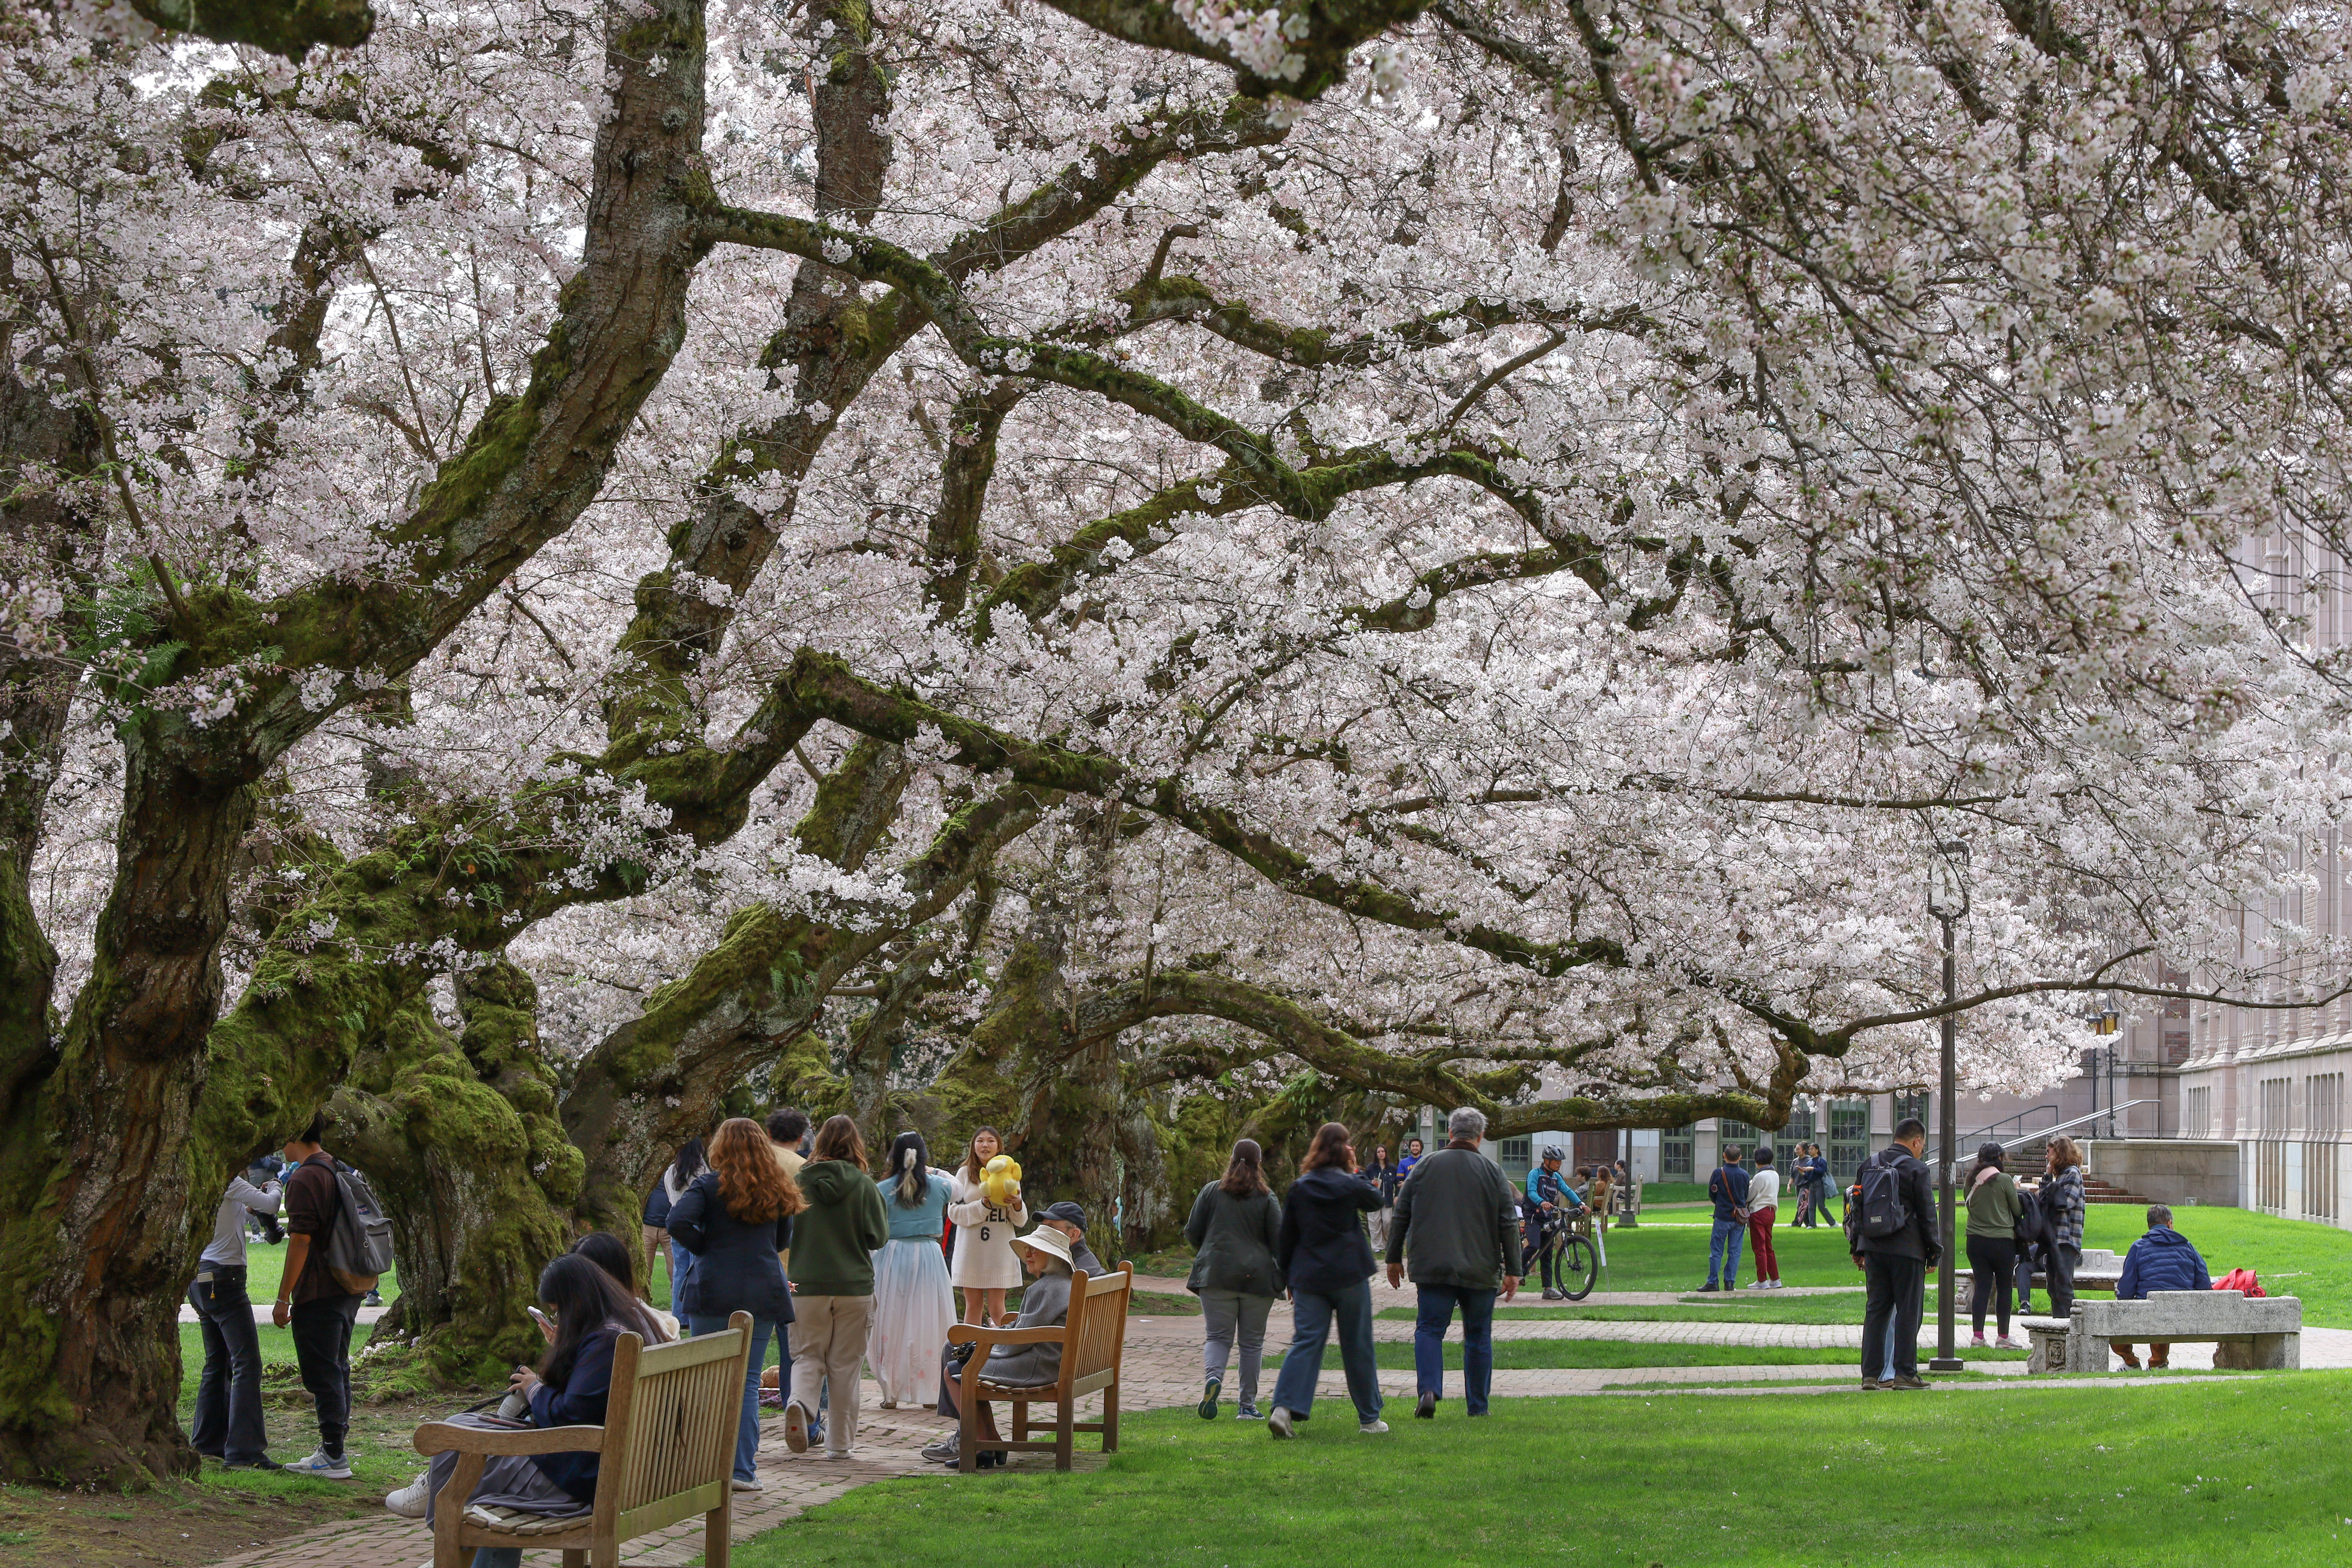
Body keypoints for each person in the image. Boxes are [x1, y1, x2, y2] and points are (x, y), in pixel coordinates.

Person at [406, 1253, 671, 1564]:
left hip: (589, 1478)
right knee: (462, 1425)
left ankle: (449, 1552)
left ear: (576, 1301)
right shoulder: (632, 1323)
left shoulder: (607, 1343)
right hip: (636, 1470)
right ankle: (454, 1548)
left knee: (456, 1446)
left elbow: (567, 1414)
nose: (559, 1322)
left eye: (559, 1314)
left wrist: (533, 1389)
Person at [665, 1116, 802, 1490]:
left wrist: (705, 1246)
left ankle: (705, 1468)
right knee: (747, 1381)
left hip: (713, 1289)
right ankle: (742, 1469)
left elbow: (677, 1221)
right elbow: (781, 1239)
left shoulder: (709, 1186)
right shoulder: (777, 1187)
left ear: (720, 1147)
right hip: (762, 1289)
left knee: (708, 1377)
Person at [1384, 1106, 1520, 1421]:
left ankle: (1429, 1390)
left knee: (1430, 1330)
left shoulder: (1424, 1166)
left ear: (1450, 1133)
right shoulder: (1493, 1171)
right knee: (1478, 1336)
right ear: (1480, 1136)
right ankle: (1478, 1407)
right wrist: (1514, 1269)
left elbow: (1401, 1213)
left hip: (1433, 1265)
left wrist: (1393, 1258)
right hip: (1481, 1267)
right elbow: (1508, 1223)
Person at [1266, 1122, 1385, 1438]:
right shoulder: (1349, 1183)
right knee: (1357, 1345)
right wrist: (1356, 1169)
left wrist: (1288, 1276)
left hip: (1309, 1276)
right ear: (1344, 1149)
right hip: (1349, 1274)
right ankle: (1370, 1419)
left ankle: (1283, 1408)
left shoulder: (1300, 1187)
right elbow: (1376, 1200)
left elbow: (1286, 1237)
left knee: (1306, 1342)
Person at [921, 1225, 1076, 1467]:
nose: (1028, 1254)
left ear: (1053, 1257)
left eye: (1035, 1250)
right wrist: (996, 1334)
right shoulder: (1064, 1285)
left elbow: (1019, 1341)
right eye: (1028, 1249)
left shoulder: (1046, 1289)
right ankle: (989, 1442)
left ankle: (980, 1444)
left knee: (955, 1371)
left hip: (1041, 1367)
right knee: (960, 1356)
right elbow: (1028, 1327)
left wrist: (991, 1341)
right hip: (1052, 1360)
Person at [784, 1114, 889, 1459]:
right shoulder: (863, 1185)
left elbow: (783, 1232)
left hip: (805, 1284)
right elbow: (878, 1237)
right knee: (845, 1366)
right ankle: (840, 1445)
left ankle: (800, 1403)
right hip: (853, 1285)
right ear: (855, 1145)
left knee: (806, 1354)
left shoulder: (799, 1181)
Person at [271, 1116, 365, 1479]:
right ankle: (333, 1448)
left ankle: (333, 1456)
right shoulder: (335, 1166)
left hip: (318, 1288)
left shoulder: (305, 1177)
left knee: (322, 1372)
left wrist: (283, 1299)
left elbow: (301, 1239)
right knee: (337, 1366)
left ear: (294, 1134)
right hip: (347, 1283)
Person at [188, 1164, 284, 1470]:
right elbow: (270, 1204)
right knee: (247, 1363)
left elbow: (236, 1216)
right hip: (226, 1278)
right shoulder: (225, 1179)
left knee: (217, 1362)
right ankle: (245, 1451)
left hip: (200, 1274)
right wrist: (276, 1186)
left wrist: (250, 1210)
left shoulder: (197, 1179)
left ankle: (207, 1442)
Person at [1185, 1138, 1284, 1421]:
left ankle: (1213, 1379)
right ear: (1259, 1164)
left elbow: (1192, 1231)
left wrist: (1209, 1250)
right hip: (1258, 1280)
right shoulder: (1267, 1198)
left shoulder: (1211, 1192)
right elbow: (1279, 1242)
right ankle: (1246, 1406)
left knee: (1217, 1337)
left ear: (1231, 1160)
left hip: (1215, 1274)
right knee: (1252, 1344)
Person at [1847, 1117, 1939, 1391]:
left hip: (1874, 1249)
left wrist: (1858, 1248)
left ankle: (1870, 1375)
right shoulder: (1916, 1168)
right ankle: (1905, 1373)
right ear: (1917, 1141)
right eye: (1922, 1144)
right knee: (1909, 1312)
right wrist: (1934, 1253)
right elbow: (1927, 1214)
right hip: (1907, 1250)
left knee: (1876, 1310)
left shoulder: (1869, 1165)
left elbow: (1856, 1210)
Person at [869, 1131, 955, 1410]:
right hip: (929, 1256)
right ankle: (929, 1391)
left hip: (891, 1257)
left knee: (889, 1320)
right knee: (930, 1320)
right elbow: (960, 1189)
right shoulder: (939, 1185)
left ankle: (890, 1391)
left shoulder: (881, 1189)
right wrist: (933, 1170)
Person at [2110, 1203, 2211, 1368]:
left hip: (2148, 1315)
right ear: (2170, 1223)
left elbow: (2126, 1291)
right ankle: (2158, 1362)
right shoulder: (2188, 1247)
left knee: (2116, 1318)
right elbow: (2205, 1285)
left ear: (2149, 1226)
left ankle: (2131, 1362)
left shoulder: (2139, 1247)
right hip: (2185, 1315)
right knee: (2163, 1310)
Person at [949, 1125, 1027, 1327]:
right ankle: (969, 1352)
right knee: (973, 1305)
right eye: (980, 1140)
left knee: (997, 1306)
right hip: (972, 1249)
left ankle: (1004, 1353)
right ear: (973, 1146)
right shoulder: (964, 1174)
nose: (985, 1145)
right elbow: (954, 1213)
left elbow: (1021, 1220)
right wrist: (982, 1206)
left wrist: (1017, 1203)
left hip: (999, 1249)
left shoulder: (1011, 1171)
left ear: (999, 1146)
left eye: (991, 1141)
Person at [1963, 1142, 2023, 1348]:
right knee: (2005, 1287)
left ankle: (1978, 1337)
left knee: (1982, 1287)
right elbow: (2017, 1210)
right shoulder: (2005, 1180)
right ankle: (2003, 1336)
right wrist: (2016, 1191)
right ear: (1999, 1158)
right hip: (2002, 1242)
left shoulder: (1971, 1181)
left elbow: (1968, 1203)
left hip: (1976, 1241)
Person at [1522, 1147, 1587, 1300]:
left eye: (1560, 1161)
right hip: (1533, 1215)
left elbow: (1567, 1191)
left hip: (1547, 1216)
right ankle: (1516, 1271)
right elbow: (1532, 1192)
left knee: (1547, 1253)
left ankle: (1548, 1289)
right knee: (1534, 1245)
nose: (1559, 1164)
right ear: (1546, 1161)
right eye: (1556, 1161)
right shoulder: (1535, 1174)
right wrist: (1542, 1201)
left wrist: (1580, 1204)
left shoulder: (1556, 1177)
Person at [653, 1138, 706, 1325]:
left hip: (676, 1224)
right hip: (697, 1225)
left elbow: (671, 1199)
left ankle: (678, 1316)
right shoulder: (702, 1173)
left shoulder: (670, 1172)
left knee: (679, 1271)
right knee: (696, 1271)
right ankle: (692, 1314)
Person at [2039, 1136, 2088, 1320]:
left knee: (2063, 1287)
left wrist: (2049, 1190)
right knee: (2053, 1289)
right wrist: (2048, 1177)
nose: (2047, 1157)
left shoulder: (2073, 1174)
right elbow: (2044, 1202)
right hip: (2054, 1239)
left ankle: (2077, 1325)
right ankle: (2059, 1327)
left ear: (2059, 1152)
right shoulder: (2059, 1177)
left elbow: (2064, 1203)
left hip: (2066, 1240)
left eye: (2049, 1152)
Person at [1699, 1144, 1751, 1292]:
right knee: (1735, 1252)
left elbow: (1712, 1193)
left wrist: (1721, 1204)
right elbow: (1745, 1195)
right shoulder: (1744, 1175)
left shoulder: (1718, 1173)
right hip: (1739, 1219)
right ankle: (1730, 1282)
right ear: (1740, 1158)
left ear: (1724, 1156)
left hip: (1722, 1216)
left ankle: (1713, 1282)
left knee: (1716, 1251)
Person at [1744, 1146, 1782, 1289]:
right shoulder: (1775, 1174)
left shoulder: (1760, 1176)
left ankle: (1762, 1280)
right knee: (1768, 1246)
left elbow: (1750, 1195)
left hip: (1759, 1211)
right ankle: (1775, 1278)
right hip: (1771, 1211)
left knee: (1759, 1247)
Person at [1037, 1200, 1106, 1276]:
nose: (1044, 1232)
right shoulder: (1084, 1262)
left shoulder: (1072, 1271)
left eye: (1051, 1227)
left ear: (1074, 1235)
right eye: (1043, 1227)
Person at [1366, 1144, 1399, 1253]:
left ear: (1386, 1153)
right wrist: (1370, 1183)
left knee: (1387, 1222)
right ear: (1376, 1154)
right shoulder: (1371, 1168)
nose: (1381, 1154)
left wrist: (1397, 1196)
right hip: (1374, 1199)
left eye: (1383, 1152)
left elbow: (1398, 1183)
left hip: (1388, 1200)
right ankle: (1377, 1247)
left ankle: (1387, 1243)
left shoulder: (1392, 1168)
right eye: (1379, 1152)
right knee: (1375, 1222)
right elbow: (1364, 1182)